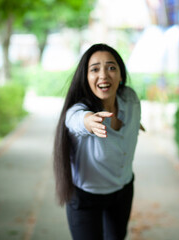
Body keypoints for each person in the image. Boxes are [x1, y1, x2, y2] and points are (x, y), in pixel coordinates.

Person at [53, 43, 144, 240]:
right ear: (86, 78)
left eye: (111, 67)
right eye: (95, 69)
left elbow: (133, 115)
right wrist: (88, 122)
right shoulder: (80, 111)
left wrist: (135, 123)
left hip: (122, 190)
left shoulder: (130, 99)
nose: (103, 75)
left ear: (121, 75)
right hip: (86, 197)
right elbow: (74, 120)